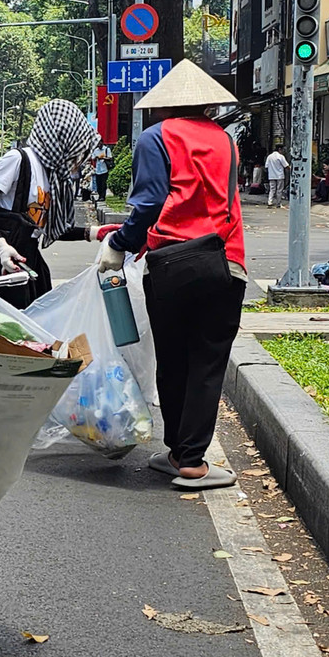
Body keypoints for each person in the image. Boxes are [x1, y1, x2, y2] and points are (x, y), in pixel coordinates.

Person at [98, 60, 246, 491]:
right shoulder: (225, 141)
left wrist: (119, 243)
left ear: (164, 105)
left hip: (170, 263)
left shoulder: (155, 137)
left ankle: (181, 454)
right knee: (207, 362)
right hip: (224, 261)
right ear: (206, 104)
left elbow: (149, 203)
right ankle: (191, 459)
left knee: (174, 358)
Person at [0, 99, 110, 308]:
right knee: (4, 325)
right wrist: (2, 246)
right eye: (78, 147)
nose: (80, 156)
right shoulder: (18, 160)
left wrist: (95, 233)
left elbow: (46, 228)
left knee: (38, 319)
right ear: (61, 139)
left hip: (27, 259)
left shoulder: (54, 176)